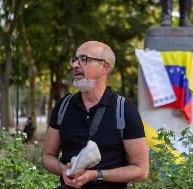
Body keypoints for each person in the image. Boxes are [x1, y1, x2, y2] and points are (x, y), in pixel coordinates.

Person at [41, 41, 149, 189]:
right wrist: (65, 171)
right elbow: (47, 156)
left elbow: (141, 171)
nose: (75, 65)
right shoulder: (63, 106)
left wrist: (96, 175)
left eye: (84, 59)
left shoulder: (125, 110)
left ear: (104, 67)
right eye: (75, 59)